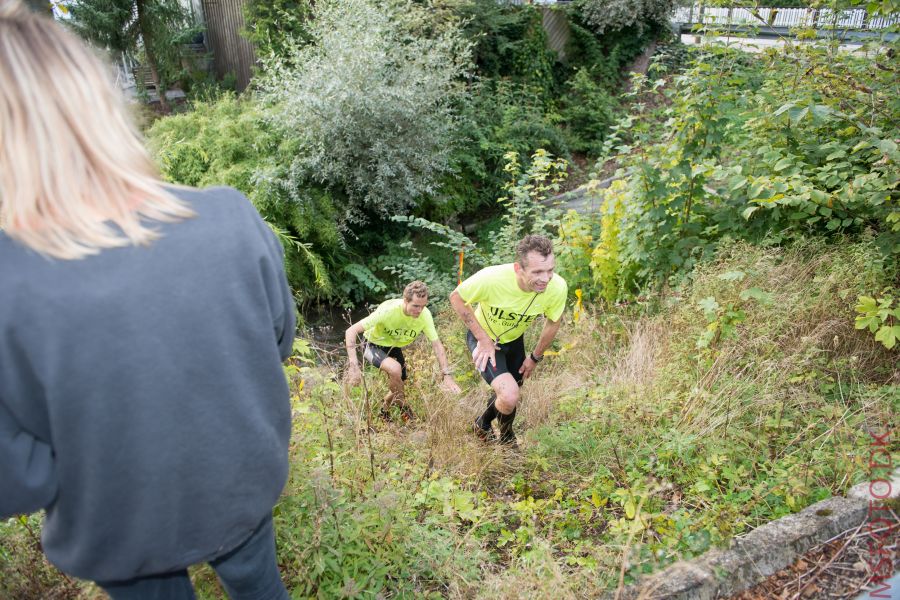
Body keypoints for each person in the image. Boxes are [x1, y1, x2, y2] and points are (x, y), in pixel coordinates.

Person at [0, 4, 294, 598]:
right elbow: (277, 340)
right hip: (239, 486)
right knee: (261, 587)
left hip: (121, 524)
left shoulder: (11, 280)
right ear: (95, 104)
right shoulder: (228, 214)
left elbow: (19, 477)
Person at [449, 234, 567, 445]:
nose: (546, 278)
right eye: (537, 272)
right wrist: (482, 339)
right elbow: (456, 297)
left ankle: (481, 424)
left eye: (550, 270)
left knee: (509, 394)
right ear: (518, 269)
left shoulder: (556, 287)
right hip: (484, 341)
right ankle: (507, 439)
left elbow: (553, 322)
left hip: (514, 341)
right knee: (510, 394)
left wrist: (535, 357)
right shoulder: (492, 278)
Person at [345, 281, 461, 419]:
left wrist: (446, 375)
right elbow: (351, 331)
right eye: (416, 306)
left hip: (394, 346)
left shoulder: (425, 315)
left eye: (423, 306)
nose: (419, 311)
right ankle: (403, 407)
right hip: (372, 344)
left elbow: (437, 344)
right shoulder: (388, 311)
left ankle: (384, 412)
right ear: (405, 301)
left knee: (398, 383)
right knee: (395, 369)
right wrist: (353, 366)